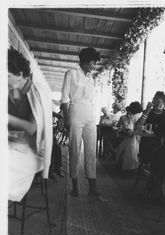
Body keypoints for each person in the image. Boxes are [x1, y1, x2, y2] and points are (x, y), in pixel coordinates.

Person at [61, 47, 106, 201]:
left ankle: (92, 188)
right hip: (74, 112)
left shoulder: (91, 79)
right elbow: (64, 98)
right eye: (93, 62)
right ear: (86, 60)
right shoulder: (71, 73)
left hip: (89, 114)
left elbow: (92, 101)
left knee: (91, 150)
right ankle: (75, 187)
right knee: (74, 149)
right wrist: (66, 118)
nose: (94, 65)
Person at [8, 47, 53, 202]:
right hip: (14, 145)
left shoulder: (35, 92)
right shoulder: (13, 92)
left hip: (31, 153)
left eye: (7, 76)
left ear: (20, 75)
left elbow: (31, 128)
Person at [138, 91, 165, 165]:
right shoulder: (148, 112)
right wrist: (147, 111)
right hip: (146, 141)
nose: (157, 103)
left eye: (160, 102)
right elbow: (138, 126)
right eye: (155, 100)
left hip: (160, 143)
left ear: (164, 104)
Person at [112, 102, 143, 171]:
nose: (129, 113)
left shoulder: (135, 117)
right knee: (125, 143)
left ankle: (126, 165)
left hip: (137, 139)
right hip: (135, 138)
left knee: (125, 144)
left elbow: (132, 130)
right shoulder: (125, 117)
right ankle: (126, 165)